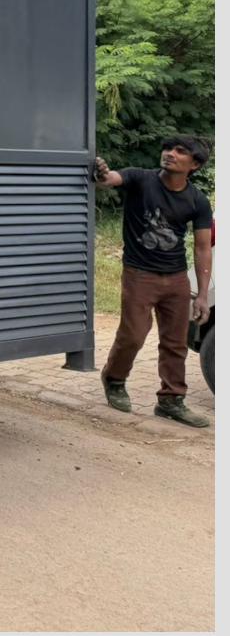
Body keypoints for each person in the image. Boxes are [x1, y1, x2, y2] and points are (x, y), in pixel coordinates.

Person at [93, 135, 213, 427]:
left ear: (194, 165)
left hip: (175, 277)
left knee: (175, 342)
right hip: (139, 273)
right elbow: (109, 179)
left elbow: (201, 246)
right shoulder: (140, 179)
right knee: (134, 333)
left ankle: (171, 400)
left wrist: (201, 295)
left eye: (180, 151)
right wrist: (101, 172)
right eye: (168, 148)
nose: (170, 153)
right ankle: (114, 379)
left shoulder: (197, 200)